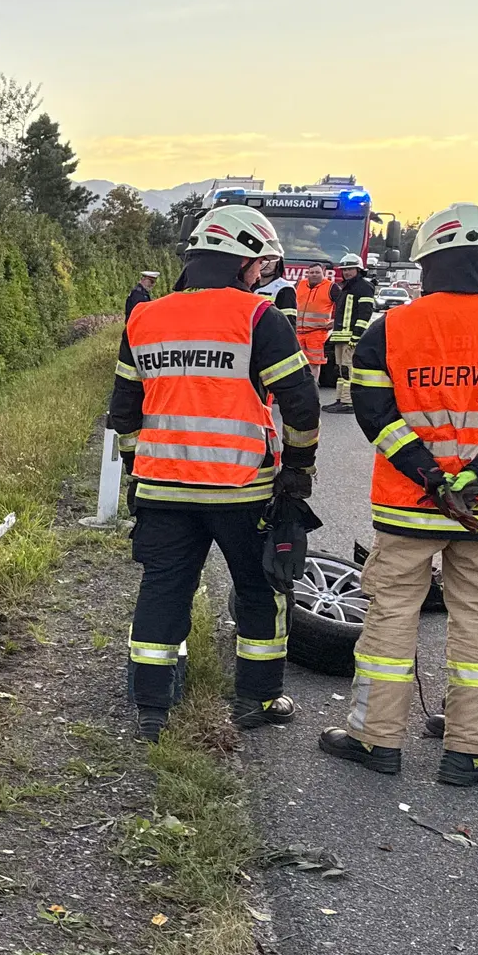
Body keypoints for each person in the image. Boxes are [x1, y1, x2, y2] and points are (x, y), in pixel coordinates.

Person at [321, 204, 478, 786]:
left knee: (392, 618)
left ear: (429, 263)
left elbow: (375, 414)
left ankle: (375, 741)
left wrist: (428, 474)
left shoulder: (392, 328)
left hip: (407, 504)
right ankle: (470, 753)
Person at [110, 205, 320, 743]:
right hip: (240, 489)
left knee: (163, 589)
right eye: (259, 266)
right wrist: (298, 471)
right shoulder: (258, 317)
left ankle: (152, 706)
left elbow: (124, 412)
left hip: (162, 486)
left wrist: (138, 468)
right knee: (260, 590)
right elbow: (299, 403)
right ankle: (259, 697)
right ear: (245, 264)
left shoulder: (145, 318)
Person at [324, 251, 379, 414]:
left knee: (348, 369)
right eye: (344, 270)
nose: (346, 272)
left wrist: (356, 336)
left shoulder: (364, 286)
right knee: (340, 370)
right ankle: (340, 400)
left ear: (359, 270)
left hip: (351, 337)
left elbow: (365, 314)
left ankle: (348, 402)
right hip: (340, 335)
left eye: (350, 269)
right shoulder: (346, 287)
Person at [294, 261, 337, 374]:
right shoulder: (300, 284)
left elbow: (343, 305)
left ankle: (312, 389)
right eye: (311, 272)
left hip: (317, 333)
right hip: (298, 332)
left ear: (323, 272)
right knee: (297, 363)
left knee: (314, 364)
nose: (314, 274)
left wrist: (335, 322)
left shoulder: (331, 287)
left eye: (317, 272)